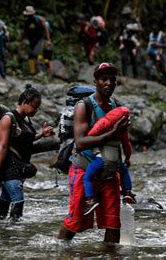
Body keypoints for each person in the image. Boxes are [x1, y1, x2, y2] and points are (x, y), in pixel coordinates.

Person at [57, 62, 130, 243]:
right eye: (104, 79)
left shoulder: (116, 106)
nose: (109, 83)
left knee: (113, 225)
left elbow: (120, 140)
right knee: (75, 223)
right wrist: (112, 133)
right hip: (84, 170)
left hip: (109, 173)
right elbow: (81, 142)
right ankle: (59, 251)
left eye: (112, 80)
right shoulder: (83, 106)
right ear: (95, 81)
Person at [0, 86, 54, 222]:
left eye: (38, 108)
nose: (36, 110)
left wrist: (41, 134)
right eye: (34, 107)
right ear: (24, 101)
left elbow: (25, 139)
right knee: (18, 199)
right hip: (9, 165)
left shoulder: (26, 120)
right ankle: (15, 235)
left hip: (20, 165)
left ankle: (0, 227)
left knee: (6, 198)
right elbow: (3, 146)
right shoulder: (8, 119)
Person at [83, 106, 133, 216]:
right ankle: (127, 192)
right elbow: (127, 146)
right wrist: (128, 158)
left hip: (101, 159)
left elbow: (91, 135)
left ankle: (90, 200)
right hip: (116, 161)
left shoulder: (103, 123)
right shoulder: (123, 131)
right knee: (124, 172)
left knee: (87, 177)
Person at [21, 6, 52, 75]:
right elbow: (25, 31)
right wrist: (20, 40)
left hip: (41, 38)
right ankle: (32, 72)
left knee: (38, 53)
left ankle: (40, 71)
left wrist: (48, 40)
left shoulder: (40, 19)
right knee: (31, 54)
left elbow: (46, 30)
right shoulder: (27, 21)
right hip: (32, 39)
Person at [118, 6, 141, 78]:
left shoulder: (134, 20)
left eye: (126, 14)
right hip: (125, 42)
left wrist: (136, 25)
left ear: (129, 14)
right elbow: (123, 29)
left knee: (134, 59)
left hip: (133, 43)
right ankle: (124, 75)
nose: (125, 15)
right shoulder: (122, 21)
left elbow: (139, 29)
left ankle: (135, 76)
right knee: (124, 58)